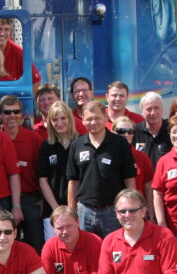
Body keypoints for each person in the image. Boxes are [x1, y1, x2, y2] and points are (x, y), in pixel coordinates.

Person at [67, 100, 137, 238]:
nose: (93, 122)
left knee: (115, 249)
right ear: (83, 120)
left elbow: (129, 179)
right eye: (89, 119)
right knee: (87, 249)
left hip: (113, 212)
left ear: (105, 118)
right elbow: (73, 182)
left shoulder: (119, 143)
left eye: (97, 118)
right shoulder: (77, 145)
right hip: (85, 212)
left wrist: (130, 207)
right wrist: (71, 213)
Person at [0, 95, 44, 253]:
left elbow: (42, 171)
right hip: (5, 201)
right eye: (7, 112)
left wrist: (41, 198)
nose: (12, 115)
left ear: (22, 115)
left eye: (15, 111)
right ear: (0, 115)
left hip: (31, 199)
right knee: (9, 247)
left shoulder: (33, 138)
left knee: (36, 244)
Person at [38, 101, 79, 241]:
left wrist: (73, 210)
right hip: (52, 210)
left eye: (63, 118)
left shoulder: (81, 143)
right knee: (54, 249)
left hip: (79, 210)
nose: (59, 123)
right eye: (55, 119)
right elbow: (43, 181)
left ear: (69, 119)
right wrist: (57, 210)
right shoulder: (46, 146)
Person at [113, 116, 155, 220]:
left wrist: (150, 214)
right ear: (113, 132)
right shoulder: (106, 156)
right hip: (110, 212)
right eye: (121, 131)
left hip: (135, 211)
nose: (126, 134)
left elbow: (148, 187)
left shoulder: (142, 157)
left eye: (130, 131)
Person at [133, 92, 172, 165]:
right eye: (149, 109)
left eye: (156, 108)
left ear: (162, 109)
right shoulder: (134, 132)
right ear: (142, 112)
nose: (153, 112)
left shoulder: (172, 130)